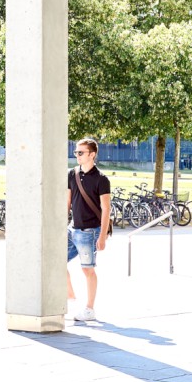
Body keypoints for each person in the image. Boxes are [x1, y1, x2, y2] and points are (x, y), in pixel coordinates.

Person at [65, 138, 112, 323]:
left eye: (81, 152)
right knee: (54, 262)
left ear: (92, 154)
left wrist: (102, 237)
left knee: (87, 270)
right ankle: (70, 297)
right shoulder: (72, 174)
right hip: (72, 229)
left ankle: (89, 309)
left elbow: (106, 208)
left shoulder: (101, 179)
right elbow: (67, 202)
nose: (77, 155)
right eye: (76, 152)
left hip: (90, 231)